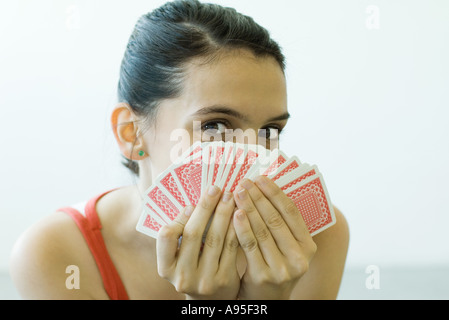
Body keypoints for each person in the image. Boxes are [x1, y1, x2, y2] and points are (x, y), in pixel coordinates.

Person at [10, 0, 349, 300]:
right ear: (131, 133)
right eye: (215, 126)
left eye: (269, 131)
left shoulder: (317, 239)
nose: (253, 155)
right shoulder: (55, 254)